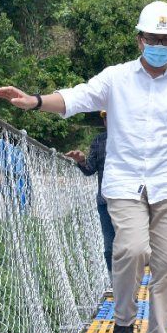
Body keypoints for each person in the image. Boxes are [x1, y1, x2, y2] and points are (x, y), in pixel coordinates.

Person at [0, 1, 167, 333]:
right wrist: (34, 101)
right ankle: (124, 320)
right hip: (125, 183)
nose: (161, 44)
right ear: (140, 40)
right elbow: (76, 97)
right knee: (131, 249)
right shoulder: (116, 78)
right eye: (154, 37)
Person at [65, 111, 114, 279]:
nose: (109, 120)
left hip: (130, 200)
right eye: (106, 117)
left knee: (131, 245)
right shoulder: (99, 140)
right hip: (105, 201)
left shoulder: (133, 139)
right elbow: (89, 169)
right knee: (109, 245)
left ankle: (130, 283)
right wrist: (81, 161)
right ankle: (116, 285)